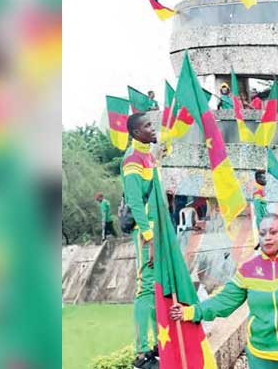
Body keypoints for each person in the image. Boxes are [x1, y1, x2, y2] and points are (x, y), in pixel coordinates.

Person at [169, 214, 278, 368]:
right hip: (262, 356)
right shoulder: (248, 269)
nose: (267, 237)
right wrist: (190, 312)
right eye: (262, 233)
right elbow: (224, 301)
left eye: (273, 232)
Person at [122, 113, 161, 367]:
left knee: (158, 288)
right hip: (146, 233)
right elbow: (135, 201)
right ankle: (140, 353)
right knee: (145, 289)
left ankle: (160, 344)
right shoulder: (132, 160)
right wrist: (147, 236)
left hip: (159, 231)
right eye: (147, 125)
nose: (152, 127)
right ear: (136, 133)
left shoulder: (149, 154)